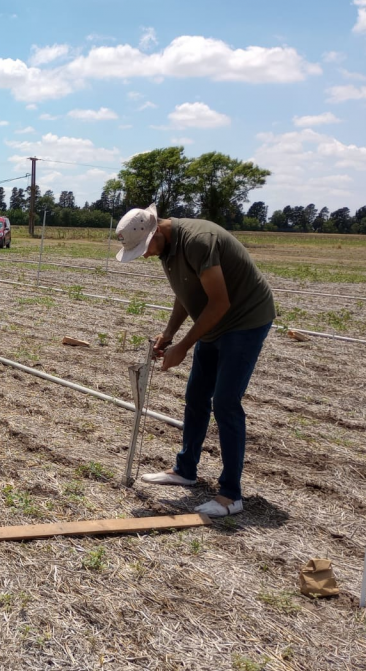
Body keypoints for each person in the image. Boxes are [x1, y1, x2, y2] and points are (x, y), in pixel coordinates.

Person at [114, 204, 276, 517]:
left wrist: (184, 347)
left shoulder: (198, 241)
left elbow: (219, 303)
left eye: (146, 249)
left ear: (156, 230)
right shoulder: (167, 249)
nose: (145, 256)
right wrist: (169, 335)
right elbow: (186, 293)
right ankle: (185, 470)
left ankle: (231, 495)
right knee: (196, 396)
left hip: (244, 319)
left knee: (226, 402)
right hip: (216, 318)